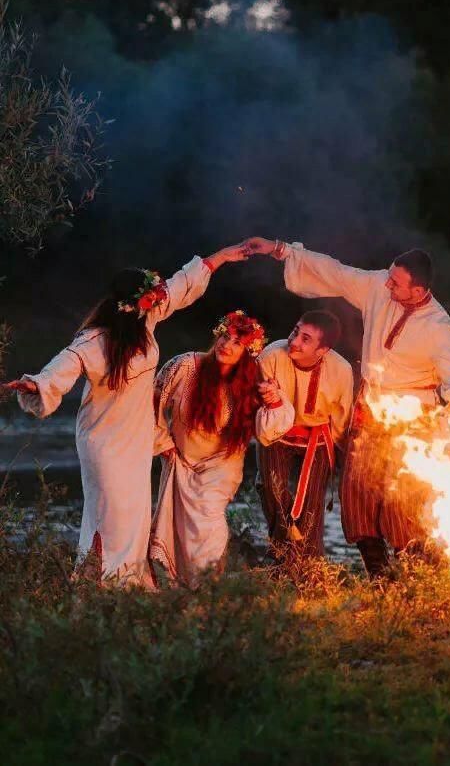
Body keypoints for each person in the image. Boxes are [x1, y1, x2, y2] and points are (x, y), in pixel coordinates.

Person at [2, 245, 247, 586]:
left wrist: (221, 258)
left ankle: (129, 581)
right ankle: (104, 582)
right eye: (152, 295)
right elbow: (60, 368)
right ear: (134, 302)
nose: (159, 298)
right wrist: (36, 385)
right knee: (112, 515)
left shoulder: (146, 320)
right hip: (103, 441)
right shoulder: (94, 340)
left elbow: (180, 286)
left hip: (135, 438)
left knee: (133, 513)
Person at [241, 237, 450, 576]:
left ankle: (416, 577)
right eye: (390, 277)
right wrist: (282, 250)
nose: (387, 283)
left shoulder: (438, 326)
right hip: (370, 413)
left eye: (396, 283)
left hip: (410, 423)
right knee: (356, 496)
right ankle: (380, 578)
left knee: (400, 507)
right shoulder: (379, 288)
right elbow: (336, 273)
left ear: (418, 290)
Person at [149, 311, 294, 585]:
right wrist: (162, 442)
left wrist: (273, 399)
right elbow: (151, 402)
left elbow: (268, 431)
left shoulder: (253, 384)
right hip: (180, 458)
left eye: (237, 343)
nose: (227, 345)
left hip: (222, 464)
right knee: (180, 528)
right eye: (225, 337)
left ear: (248, 351)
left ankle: (207, 584)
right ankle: (184, 589)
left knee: (208, 519)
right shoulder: (185, 365)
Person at [254, 310, 354, 558]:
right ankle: (281, 563)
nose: (294, 341)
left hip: (318, 438)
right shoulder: (270, 356)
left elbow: (342, 419)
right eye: (295, 331)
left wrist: (346, 463)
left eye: (306, 339)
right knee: (272, 491)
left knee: (311, 506)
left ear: (322, 350)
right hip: (277, 431)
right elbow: (264, 412)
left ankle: (311, 571)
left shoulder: (341, 370)